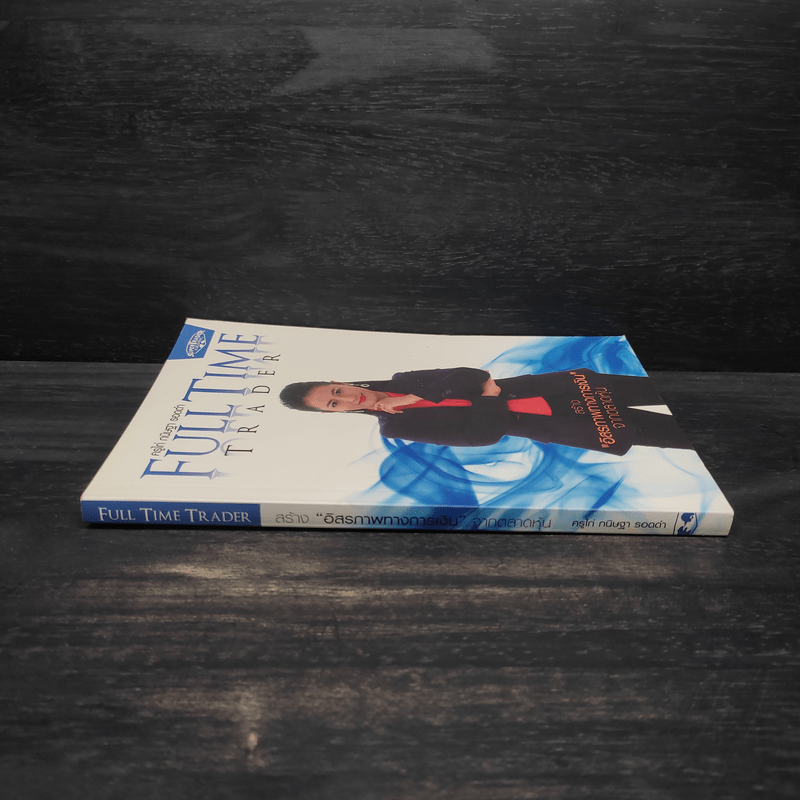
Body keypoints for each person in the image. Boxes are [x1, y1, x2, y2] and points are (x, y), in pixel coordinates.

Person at [279, 367, 693, 456]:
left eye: (337, 390)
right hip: (563, 422)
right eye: (334, 403)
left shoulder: (403, 380)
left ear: (341, 380)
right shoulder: (393, 428)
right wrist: (489, 397)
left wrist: (409, 398)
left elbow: (472, 374)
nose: (347, 398)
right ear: (333, 414)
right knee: (680, 434)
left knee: (673, 388)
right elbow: (481, 436)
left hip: (564, 390)